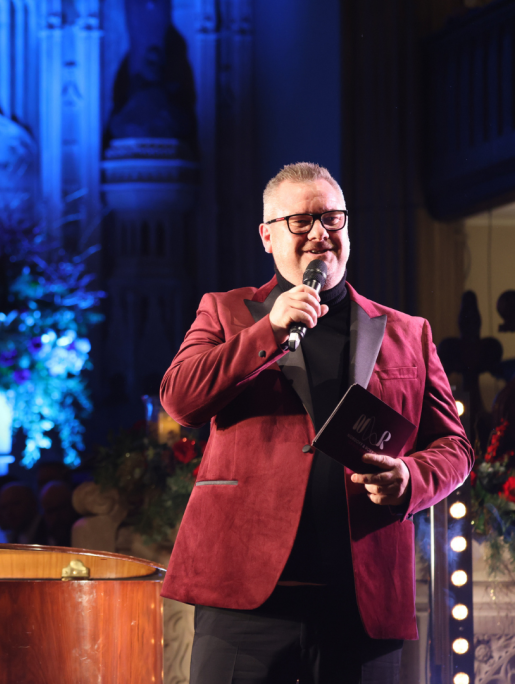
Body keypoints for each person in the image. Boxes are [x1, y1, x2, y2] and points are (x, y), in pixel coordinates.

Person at [160, 162, 473, 684]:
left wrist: (410, 479)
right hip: (245, 601)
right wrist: (269, 328)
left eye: (333, 219)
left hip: (362, 604)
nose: (320, 234)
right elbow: (181, 399)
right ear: (266, 235)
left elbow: (455, 446)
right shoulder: (227, 312)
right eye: (301, 222)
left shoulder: (406, 332)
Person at [39, 480, 79, 547]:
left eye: (61, 508)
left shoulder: (85, 535)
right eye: (51, 511)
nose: (56, 516)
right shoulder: (38, 542)